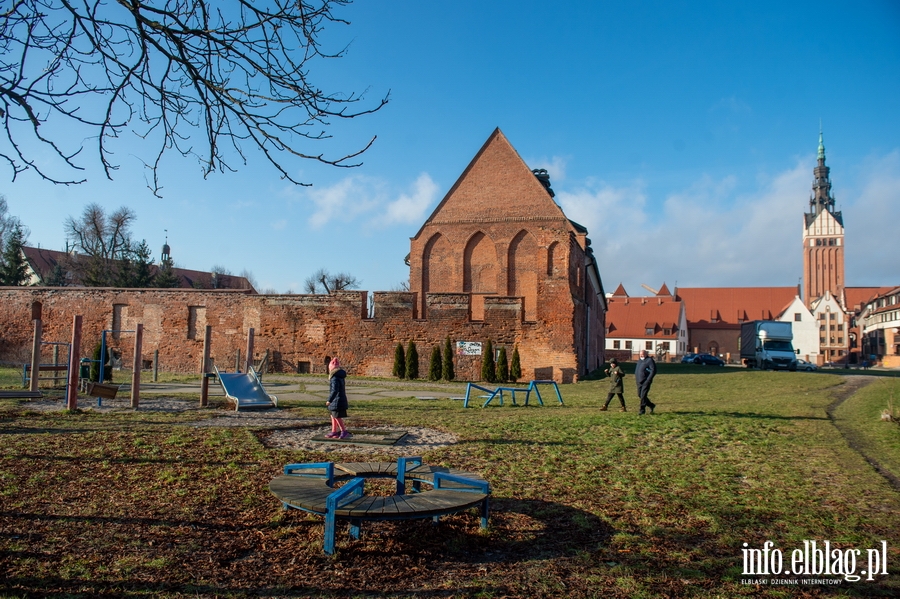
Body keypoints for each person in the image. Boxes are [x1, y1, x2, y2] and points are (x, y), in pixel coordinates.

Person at [325, 357, 351, 438]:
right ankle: (334, 431)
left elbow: (334, 390)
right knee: (333, 415)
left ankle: (344, 431)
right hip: (338, 399)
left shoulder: (335, 378)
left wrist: (329, 400)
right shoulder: (340, 376)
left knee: (337, 416)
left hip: (337, 400)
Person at [635, 349, 657, 415]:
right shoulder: (640, 361)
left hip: (646, 381)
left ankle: (642, 410)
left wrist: (648, 380)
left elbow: (653, 370)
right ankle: (651, 405)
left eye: (643, 354)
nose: (642, 355)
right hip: (639, 381)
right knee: (639, 395)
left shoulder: (649, 360)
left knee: (643, 395)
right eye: (640, 354)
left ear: (646, 354)